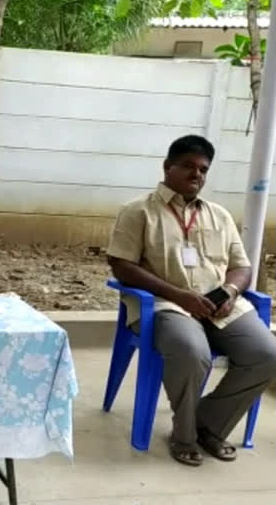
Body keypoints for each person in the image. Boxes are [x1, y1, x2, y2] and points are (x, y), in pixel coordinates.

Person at [106, 134, 276, 467]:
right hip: (165, 306)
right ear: (168, 167)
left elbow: (242, 266)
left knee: (267, 354)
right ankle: (184, 436)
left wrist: (229, 291)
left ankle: (208, 424)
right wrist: (179, 295)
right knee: (191, 351)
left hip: (220, 307)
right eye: (188, 166)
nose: (196, 174)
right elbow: (121, 265)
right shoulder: (138, 211)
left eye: (203, 169)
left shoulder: (219, 215)